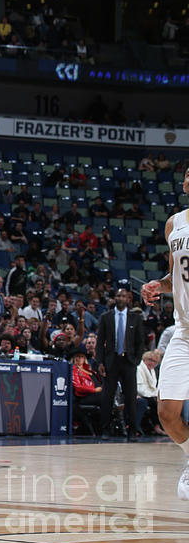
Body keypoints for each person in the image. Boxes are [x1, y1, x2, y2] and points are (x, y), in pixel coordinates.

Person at [142, 165, 189, 497]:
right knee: (166, 411)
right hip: (184, 332)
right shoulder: (175, 223)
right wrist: (156, 286)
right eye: (188, 175)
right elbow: (175, 278)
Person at [96, 287, 144, 441]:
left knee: (130, 398)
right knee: (107, 397)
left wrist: (137, 360)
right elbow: (100, 341)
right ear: (114, 298)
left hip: (129, 361)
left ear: (128, 299)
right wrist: (100, 361)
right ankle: (105, 430)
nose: (121, 298)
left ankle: (132, 431)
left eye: (123, 296)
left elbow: (140, 342)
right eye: (118, 296)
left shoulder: (135, 318)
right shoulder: (106, 317)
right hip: (112, 360)